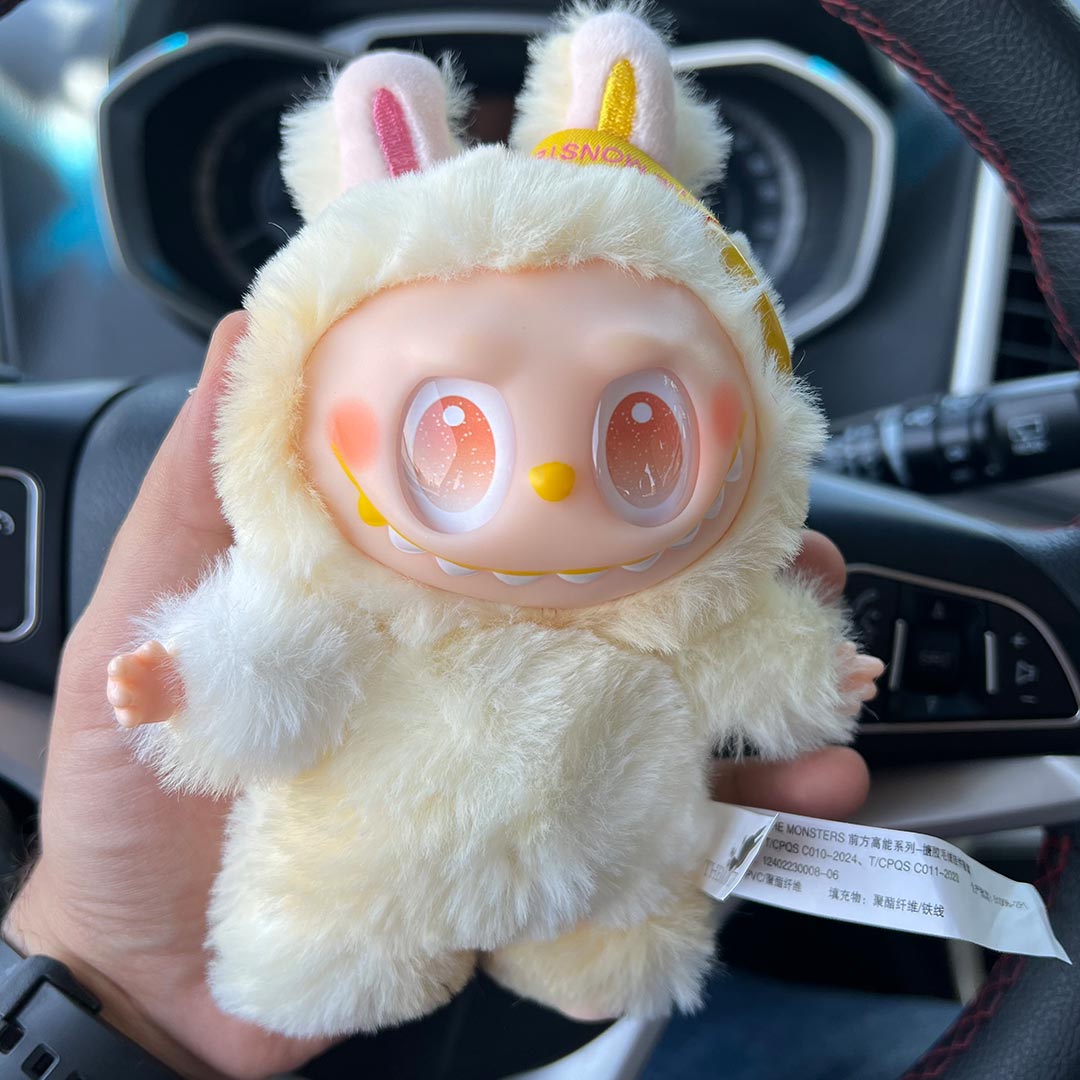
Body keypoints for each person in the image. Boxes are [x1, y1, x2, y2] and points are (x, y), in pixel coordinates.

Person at [0, 316, 953, 1079]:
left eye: (634, 426)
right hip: (363, 883)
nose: (550, 477)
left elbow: (742, 652)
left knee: (623, 951)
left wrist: (810, 674)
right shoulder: (358, 603)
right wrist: (188, 679)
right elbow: (277, 660)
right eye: (455, 427)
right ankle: (323, 961)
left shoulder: (661, 612)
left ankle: (596, 951)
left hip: (605, 872)